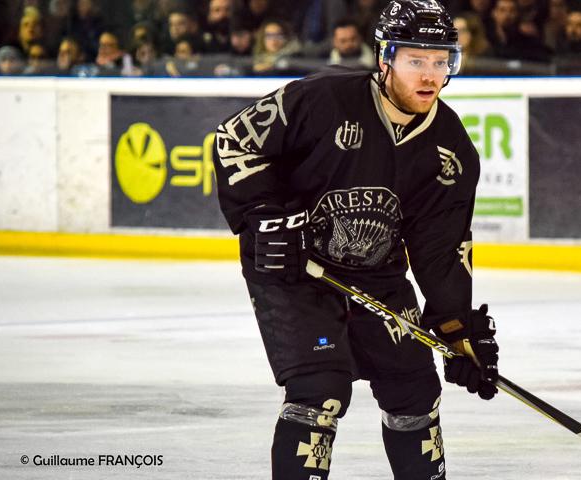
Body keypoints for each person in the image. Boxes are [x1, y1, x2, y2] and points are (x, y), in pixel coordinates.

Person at [212, 1, 500, 479]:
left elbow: (441, 249)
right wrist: (264, 217)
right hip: (293, 264)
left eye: (441, 61)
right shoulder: (323, 98)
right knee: (320, 389)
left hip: (376, 271)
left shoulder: (450, 149)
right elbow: (235, 140)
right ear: (384, 58)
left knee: (414, 389)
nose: (430, 75)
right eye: (416, 60)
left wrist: (456, 330)